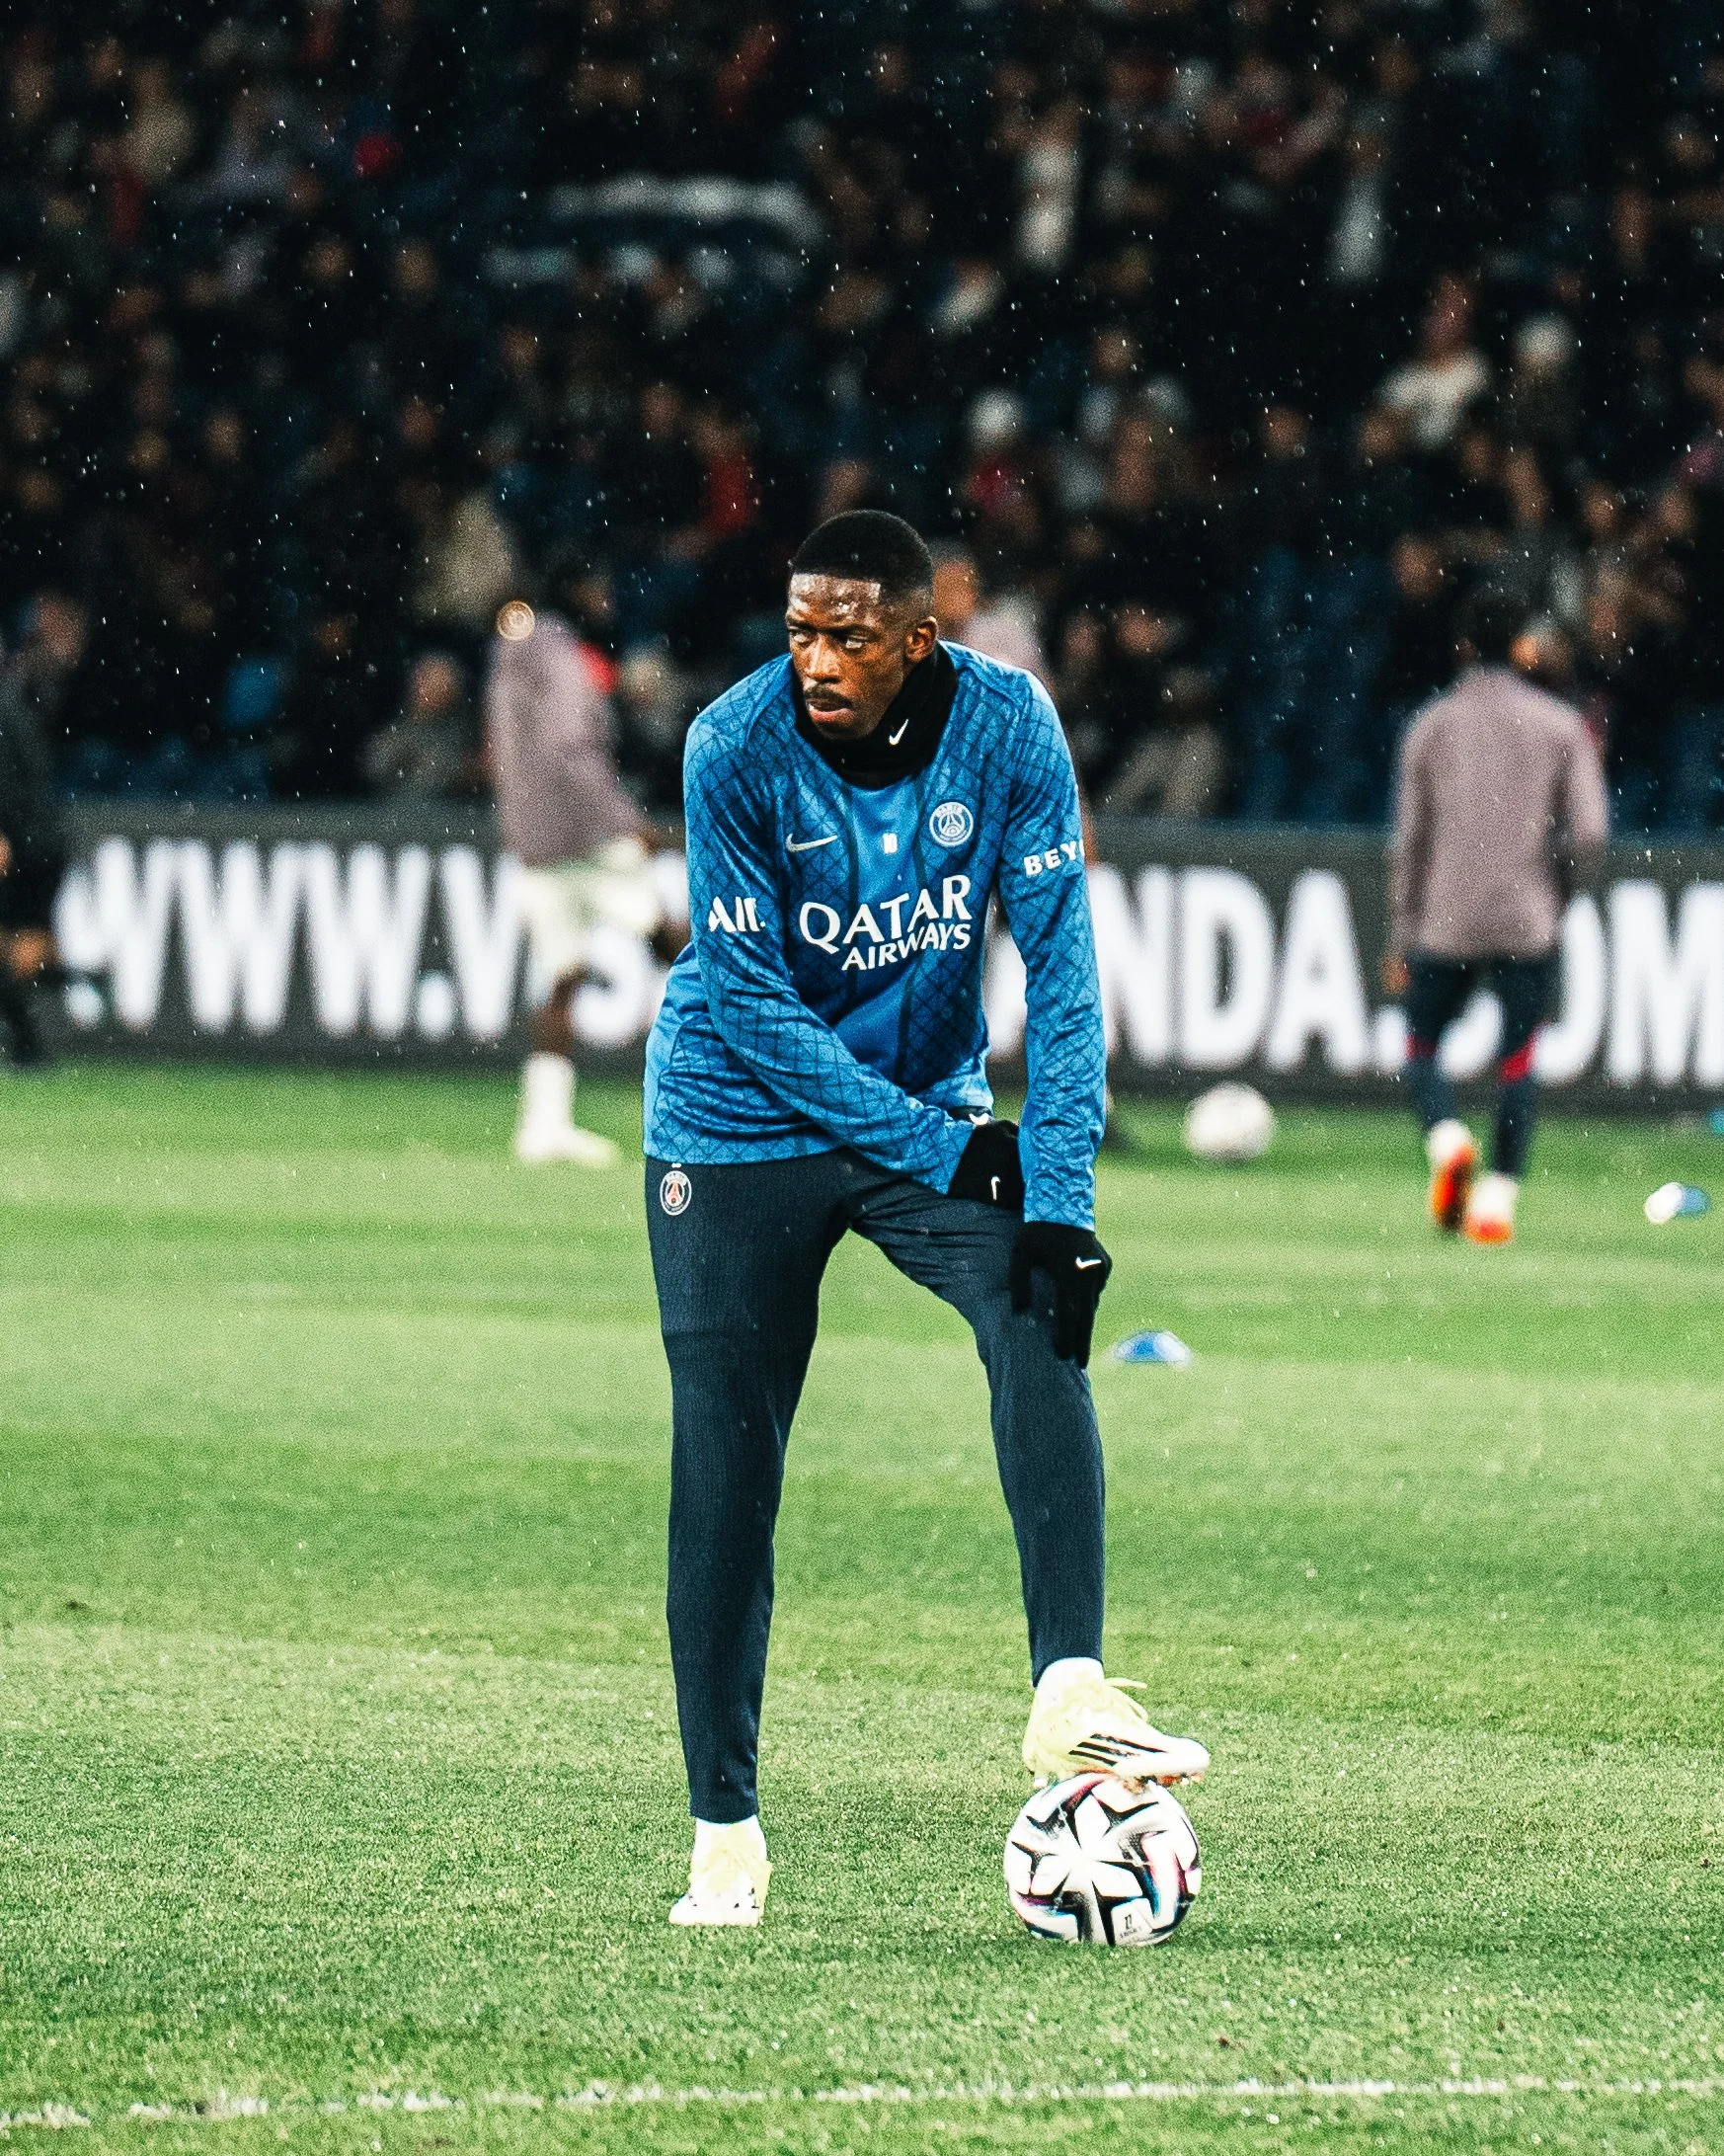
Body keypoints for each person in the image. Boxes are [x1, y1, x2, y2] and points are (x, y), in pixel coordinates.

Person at [642, 510, 1208, 1929]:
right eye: (798, 628)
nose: (815, 658)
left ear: (917, 635)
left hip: (922, 1112)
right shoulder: (732, 744)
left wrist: (1058, 1202)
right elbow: (756, 1009)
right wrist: (949, 1153)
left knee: (1037, 1297)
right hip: (732, 1119)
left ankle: (1069, 1688)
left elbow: (1063, 977)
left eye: (846, 632)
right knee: (727, 1452)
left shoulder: (1008, 727)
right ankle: (725, 1831)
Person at [1384, 589, 1608, 1244]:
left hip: (1446, 917)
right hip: (1526, 918)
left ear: (1461, 648)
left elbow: (1410, 840)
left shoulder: (1432, 725)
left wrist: (1404, 927)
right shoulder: (1560, 725)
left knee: (1421, 1047)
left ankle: (1447, 1137)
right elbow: (1591, 833)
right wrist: (1559, 889)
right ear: (1523, 646)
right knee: (1519, 1057)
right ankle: (1498, 1201)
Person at [485, 592, 665, 1165]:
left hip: (534, 844)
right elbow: (569, 749)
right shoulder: (558, 651)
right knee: (673, 942)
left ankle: (542, 1125)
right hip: (586, 838)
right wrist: (626, 821)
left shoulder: (503, 663)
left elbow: (508, 756)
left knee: (562, 977)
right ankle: (719, 1088)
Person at [0, 601, 76, 1066]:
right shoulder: (12, 701)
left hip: (27, 842)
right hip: (41, 840)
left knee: (17, 944)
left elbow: (11, 785)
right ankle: (28, 1040)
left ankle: (29, 1042)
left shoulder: (5, 709)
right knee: (23, 943)